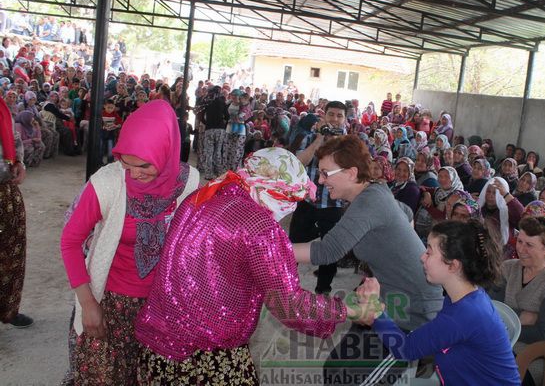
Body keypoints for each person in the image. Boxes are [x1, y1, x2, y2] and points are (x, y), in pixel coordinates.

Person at [135, 148, 355, 384]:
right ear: (273, 191)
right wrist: (348, 310)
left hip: (157, 349)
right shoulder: (259, 226)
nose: (291, 208)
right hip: (206, 357)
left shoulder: (203, 196)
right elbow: (289, 305)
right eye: (291, 199)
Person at [60, 100, 200, 384]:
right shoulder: (108, 183)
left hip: (163, 306)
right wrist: (88, 304)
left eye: (145, 165)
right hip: (109, 303)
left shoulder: (190, 183)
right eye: (127, 162)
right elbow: (70, 242)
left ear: (167, 150)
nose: (134, 173)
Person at [292, 135, 444, 385]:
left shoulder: (370, 200)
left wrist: (272, 249)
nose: (320, 181)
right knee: (333, 370)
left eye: (325, 174)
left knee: (351, 381)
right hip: (385, 300)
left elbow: (327, 251)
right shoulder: (370, 193)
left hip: (411, 313)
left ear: (351, 173)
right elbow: (405, 213)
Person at [357, 220, 521, 385]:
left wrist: (376, 310)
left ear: (453, 265)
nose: (422, 257)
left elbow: (405, 350)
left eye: (429, 251)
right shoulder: (464, 296)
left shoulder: (464, 313)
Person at [290, 100, 348, 295]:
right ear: (324, 116)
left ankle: (323, 292)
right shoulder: (311, 137)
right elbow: (299, 163)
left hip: (333, 205)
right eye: (331, 114)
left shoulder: (349, 144)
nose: (335, 119)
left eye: (339, 116)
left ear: (345, 120)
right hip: (308, 202)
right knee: (293, 246)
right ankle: (288, 288)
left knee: (330, 252)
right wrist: (319, 140)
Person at [492, 216, 545, 344]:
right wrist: (521, 317)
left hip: (536, 356)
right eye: (519, 241)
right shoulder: (508, 268)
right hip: (501, 344)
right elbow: (491, 308)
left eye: (529, 245)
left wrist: (504, 324)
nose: (521, 249)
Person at [0, 94, 32, 328]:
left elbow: (12, 137)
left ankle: (8, 309)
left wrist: (19, 162)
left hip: (5, 189)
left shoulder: (2, 106)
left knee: (11, 253)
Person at [478, 177, 524, 260]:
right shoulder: (479, 209)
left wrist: (506, 195)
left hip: (503, 255)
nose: (490, 196)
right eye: (488, 191)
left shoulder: (508, 211)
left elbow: (522, 217)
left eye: (495, 193)